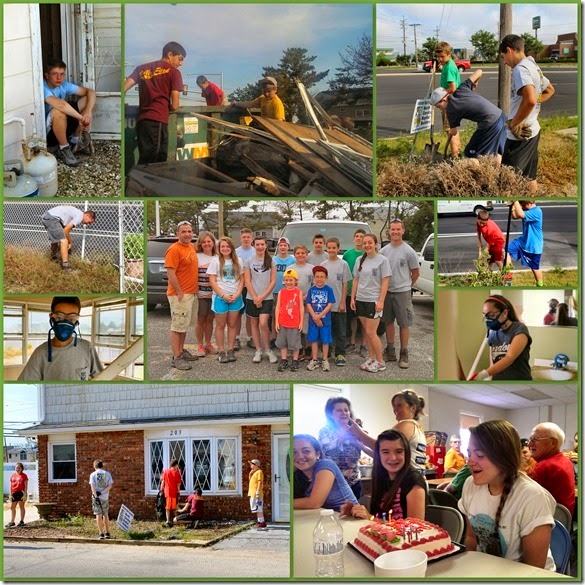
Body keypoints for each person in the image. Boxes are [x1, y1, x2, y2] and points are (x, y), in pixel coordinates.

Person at [459, 420, 556, 570]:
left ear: (504, 457)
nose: (470, 462)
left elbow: (533, 570)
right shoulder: (470, 484)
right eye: (469, 453)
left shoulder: (532, 497)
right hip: (486, 570)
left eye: (479, 454)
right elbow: (472, 538)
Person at [499, 34, 555, 194]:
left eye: (503, 57)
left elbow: (530, 100)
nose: (504, 62)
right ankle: (532, 200)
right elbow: (549, 90)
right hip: (533, 130)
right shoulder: (533, 65)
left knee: (506, 181)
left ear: (509, 50)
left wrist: (514, 123)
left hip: (519, 136)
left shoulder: (520, 69)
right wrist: (534, 105)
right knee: (530, 177)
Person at [341, 429, 427, 521]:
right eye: (385, 452)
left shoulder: (414, 481)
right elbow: (378, 517)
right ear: (378, 455)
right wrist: (355, 511)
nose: (393, 458)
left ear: (406, 453)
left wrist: (371, 518)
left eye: (398, 451)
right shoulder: (381, 477)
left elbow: (415, 528)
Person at [124, 42, 186, 164]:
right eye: (180, 59)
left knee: (145, 158)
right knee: (155, 162)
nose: (181, 64)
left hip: (142, 121)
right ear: (170, 54)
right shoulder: (174, 72)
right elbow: (175, 105)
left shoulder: (141, 68)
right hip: (158, 121)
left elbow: (124, 88)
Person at [18, 296, 103, 381]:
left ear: (77, 320)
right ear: (51, 317)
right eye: (59, 317)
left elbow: (102, 378)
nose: (65, 323)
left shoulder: (87, 348)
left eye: (71, 319)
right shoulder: (40, 353)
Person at [429, 69, 507, 160]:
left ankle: (479, 173)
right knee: (495, 151)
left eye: (439, 106)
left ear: (443, 99)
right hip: (501, 116)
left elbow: (454, 132)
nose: (440, 109)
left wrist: (451, 131)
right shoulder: (462, 88)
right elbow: (479, 72)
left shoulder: (451, 110)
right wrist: (474, 85)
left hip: (490, 123)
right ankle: (498, 173)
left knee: (471, 152)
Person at [380, 219, 419, 369]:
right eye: (392, 229)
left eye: (398, 229)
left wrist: (407, 286)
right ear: (389, 232)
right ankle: (390, 351)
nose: (395, 232)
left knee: (404, 323)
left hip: (402, 293)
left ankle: (404, 353)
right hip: (387, 292)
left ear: (403, 231)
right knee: (388, 322)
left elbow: (415, 273)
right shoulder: (383, 252)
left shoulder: (409, 251)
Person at [43, 58, 96, 166]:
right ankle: (64, 148)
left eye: (62, 74)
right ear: (47, 75)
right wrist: (81, 118)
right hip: (48, 133)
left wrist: (88, 112)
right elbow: (60, 104)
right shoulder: (42, 87)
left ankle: (75, 141)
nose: (59, 78)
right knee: (58, 111)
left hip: (63, 125)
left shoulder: (64, 85)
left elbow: (90, 92)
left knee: (87, 100)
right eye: (55, 74)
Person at [350, 234, 391, 373]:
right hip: (361, 299)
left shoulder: (382, 260)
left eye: (369, 242)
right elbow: (356, 279)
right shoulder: (359, 260)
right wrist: (352, 298)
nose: (367, 245)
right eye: (364, 243)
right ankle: (371, 358)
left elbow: (385, 281)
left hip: (374, 301)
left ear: (375, 244)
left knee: (371, 332)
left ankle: (381, 361)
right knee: (367, 333)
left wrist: (381, 301)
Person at [318, 397, 372, 500]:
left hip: (355, 482)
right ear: (330, 414)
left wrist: (361, 438)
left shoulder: (355, 429)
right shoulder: (325, 431)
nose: (344, 413)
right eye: (339, 410)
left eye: (346, 410)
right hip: (334, 483)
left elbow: (362, 450)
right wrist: (341, 439)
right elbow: (327, 456)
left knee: (356, 512)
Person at [164, 221, 199, 371]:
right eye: (184, 231)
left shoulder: (191, 246)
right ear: (177, 234)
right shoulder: (174, 250)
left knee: (184, 325)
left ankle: (181, 350)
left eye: (189, 231)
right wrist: (179, 292)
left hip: (191, 293)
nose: (187, 234)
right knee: (177, 326)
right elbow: (171, 273)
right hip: (180, 295)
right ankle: (176, 357)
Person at [472, 294, 532, 381]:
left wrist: (484, 374)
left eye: (491, 315)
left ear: (505, 313)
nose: (488, 319)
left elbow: (509, 358)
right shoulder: (492, 335)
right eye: (485, 316)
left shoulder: (519, 329)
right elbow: (493, 364)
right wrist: (488, 377)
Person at [293, 434, 358, 512]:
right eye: (294, 452)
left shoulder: (325, 464)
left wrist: (282, 504)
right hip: (326, 519)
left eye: (306, 451)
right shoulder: (298, 474)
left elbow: (315, 502)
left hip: (350, 518)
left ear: (317, 454)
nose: (299, 456)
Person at [207, 236, 244, 363]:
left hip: (235, 297)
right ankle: (221, 351)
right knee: (220, 326)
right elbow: (212, 280)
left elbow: (241, 279)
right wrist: (223, 295)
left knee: (232, 325)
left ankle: (231, 349)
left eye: (227, 246)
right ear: (219, 248)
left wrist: (238, 294)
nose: (225, 248)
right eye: (222, 246)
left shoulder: (238, 260)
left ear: (232, 248)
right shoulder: (215, 261)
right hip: (220, 298)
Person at [528, 422, 575, 515]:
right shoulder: (564, 460)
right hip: (562, 521)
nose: (529, 444)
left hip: (550, 522)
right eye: (530, 439)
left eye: (535, 439)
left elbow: (517, 493)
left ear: (553, 442)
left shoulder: (546, 466)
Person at [244, 236, 277, 364]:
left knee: (263, 324)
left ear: (266, 246)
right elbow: (247, 280)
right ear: (254, 245)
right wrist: (255, 297)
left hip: (266, 297)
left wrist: (262, 297)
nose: (260, 247)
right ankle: (258, 350)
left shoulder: (271, 261)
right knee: (254, 324)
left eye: (262, 244)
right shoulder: (248, 261)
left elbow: (273, 281)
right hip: (251, 298)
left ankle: (268, 349)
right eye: (257, 244)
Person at [321, 237, 351, 366]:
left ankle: (340, 354)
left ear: (338, 248)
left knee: (341, 331)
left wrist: (343, 302)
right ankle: (327, 352)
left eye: (334, 248)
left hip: (339, 304)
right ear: (326, 249)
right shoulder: (323, 265)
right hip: (326, 306)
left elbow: (345, 285)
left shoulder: (343, 264)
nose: (331, 250)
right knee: (327, 330)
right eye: (329, 248)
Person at [41, 206, 97, 273]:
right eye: (89, 222)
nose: (88, 224)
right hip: (52, 218)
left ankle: (53, 258)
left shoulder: (77, 213)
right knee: (64, 241)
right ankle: (66, 268)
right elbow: (66, 230)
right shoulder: (80, 216)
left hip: (49, 217)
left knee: (56, 240)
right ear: (87, 215)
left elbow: (66, 229)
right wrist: (70, 242)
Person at [505, 201, 544, 286]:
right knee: (505, 251)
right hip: (522, 242)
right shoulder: (527, 210)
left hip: (533, 247)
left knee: (534, 268)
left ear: (529, 203)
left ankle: (540, 284)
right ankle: (508, 280)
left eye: (523, 205)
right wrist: (512, 207)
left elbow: (520, 214)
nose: (522, 207)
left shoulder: (537, 211)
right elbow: (515, 216)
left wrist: (515, 201)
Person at [435, 41, 462, 157]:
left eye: (442, 56)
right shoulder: (448, 65)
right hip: (452, 101)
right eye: (438, 57)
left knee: (449, 129)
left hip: (449, 102)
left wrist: (441, 97)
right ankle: (457, 153)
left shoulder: (449, 68)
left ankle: (454, 155)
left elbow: (452, 88)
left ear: (449, 55)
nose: (440, 59)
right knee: (453, 129)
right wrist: (441, 67)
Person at [305, 266, 335, 372]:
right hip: (313, 320)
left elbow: (330, 304)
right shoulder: (311, 290)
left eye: (322, 277)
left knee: (325, 340)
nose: (319, 279)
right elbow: (308, 303)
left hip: (325, 321)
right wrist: (314, 316)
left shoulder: (329, 290)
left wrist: (319, 316)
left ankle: (325, 359)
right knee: (314, 340)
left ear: (326, 278)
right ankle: (314, 359)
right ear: (314, 278)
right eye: (317, 277)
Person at [274, 268, 304, 372]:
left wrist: (301, 322)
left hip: (294, 322)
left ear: (296, 281)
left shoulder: (298, 292)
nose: (288, 282)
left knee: (295, 343)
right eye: (286, 280)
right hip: (283, 322)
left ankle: (295, 359)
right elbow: (278, 307)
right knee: (283, 342)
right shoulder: (281, 292)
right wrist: (277, 321)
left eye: (291, 280)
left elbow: (301, 307)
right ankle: (284, 359)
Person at [342, 229, 366, 356]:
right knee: (352, 319)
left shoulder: (367, 254)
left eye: (361, 237)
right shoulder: (347, 254)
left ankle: (364, 345)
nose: (359, 238)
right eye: (357, 236)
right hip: (350, 292)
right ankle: (352, 343)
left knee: (364, 319)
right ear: (353, 239)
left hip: (363, 293)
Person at [194, 231, 218, 357]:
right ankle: (200, 345)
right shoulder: (196, 256)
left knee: (210, 320)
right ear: (200, 244)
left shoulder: (218, 257)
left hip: (214, 295)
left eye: (209, 241)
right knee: (200, 319)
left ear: (213, 243)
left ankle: (208, 343)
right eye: (204, 242)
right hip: (200, 294)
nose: (207, 244)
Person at [289, 244, 315, 361]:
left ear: (306, 254)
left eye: (303, 253)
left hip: (308, 300)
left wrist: (306, 296)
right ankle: (298, 348)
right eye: (298, 253)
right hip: (294, 301)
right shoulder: (290, 268)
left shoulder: (311, 268)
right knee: (296, 325)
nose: (300, 255)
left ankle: (308, 348)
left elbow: (314, 285)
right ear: (294, 255)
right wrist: (298, 296)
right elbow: (288, 285)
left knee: (307, 325)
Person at [271, 237, 296, 349]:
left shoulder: (292, 260)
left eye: (285, 245)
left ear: (288, 247)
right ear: (278, 247)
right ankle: (274, 337)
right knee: (275, 315)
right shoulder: (273, 259)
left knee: (288, 314)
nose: (282, 247)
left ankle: (286, 338)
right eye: (280, 245)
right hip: (276, 291)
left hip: (289, 293)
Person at [234, 228, 256, 350]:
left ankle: (250, 337)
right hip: (239, 287)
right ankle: (236, 338)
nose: (246, 239)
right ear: (240, 238)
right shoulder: (236, 252)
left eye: (248, 237)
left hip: (252, 287)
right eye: (244, 237)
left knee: (250, 314)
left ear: (251, 238)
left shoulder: (255, 251)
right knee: (237, 313)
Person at [89, 459, 113, 540]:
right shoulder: (108, 474)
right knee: (105, 514)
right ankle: (107, 532)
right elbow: (110, 486)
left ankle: (101, 533)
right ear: (102, 466)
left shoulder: (93, 475)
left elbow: (92, 486)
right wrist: (102, 492)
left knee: (98, 515)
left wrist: (96, 496)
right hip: (105, 497)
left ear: (94, 466)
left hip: (96, 498)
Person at [160, 459, 182, 527]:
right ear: (176, 465)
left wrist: (161, 490)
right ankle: (176, 520)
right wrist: (178, 492)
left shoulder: (166, 472)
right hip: (174, 492)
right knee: (174, 507)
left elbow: (163, 482)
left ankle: (168, 520)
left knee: (168, 507)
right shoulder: (177, 473)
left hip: (167, 492)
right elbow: (178, 484)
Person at [6, 463, 28, 528]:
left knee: (21, 507)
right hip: (14, 493)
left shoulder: (24, 475)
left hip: (21, 492)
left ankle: (21, 521)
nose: (17, 469)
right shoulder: (13, 475)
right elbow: (11, 485)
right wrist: (10, 493)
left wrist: (25, 494)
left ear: (21, 469)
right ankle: (12, 522)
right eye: (16, 467)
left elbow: (26, 485)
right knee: (12, 507)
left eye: (19, 468)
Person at [248, 459, 267, 530]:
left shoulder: (259, 472)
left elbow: (260, 482)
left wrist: (258, 491)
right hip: (253, 494)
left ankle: (262, 523)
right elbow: (250, 481)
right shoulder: (255, 473)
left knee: (258, 508)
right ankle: (260, 522)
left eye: (252, 465)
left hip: (256, 494)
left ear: (256, 465)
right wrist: (250, 473)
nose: (250, 466)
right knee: (256, 509)